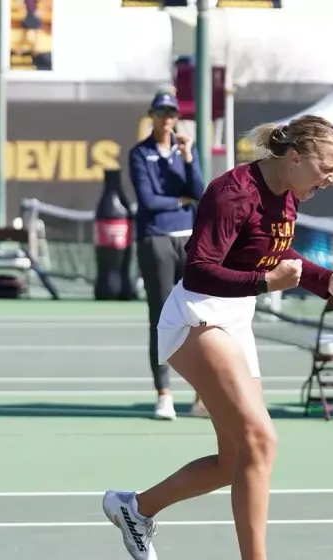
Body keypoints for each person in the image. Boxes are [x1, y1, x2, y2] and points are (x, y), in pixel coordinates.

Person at [103, 115, 333, 560]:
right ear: (295, 157)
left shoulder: (288, 193)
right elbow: (200, 269)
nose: (332, 178)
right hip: (197, 316)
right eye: (326, 168)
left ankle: (135, 508)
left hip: (234, 319)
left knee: (239, 459)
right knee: (261, 438)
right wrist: (270, 285)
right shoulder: (231, 193)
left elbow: (275, 253)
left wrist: (325, 280)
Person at [128, 89, 208, 420]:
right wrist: (178, 201)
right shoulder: (138, 154)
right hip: (156, 239)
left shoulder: (185, 150)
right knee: (161, 316)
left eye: (172, 113)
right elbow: (148, 200)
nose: (167, 119)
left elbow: (199, 191)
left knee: (199, 317)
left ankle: (202, 394)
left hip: (188, 239)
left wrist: (189, 157)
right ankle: (164, 393)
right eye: (161, 113)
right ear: (152, 115)